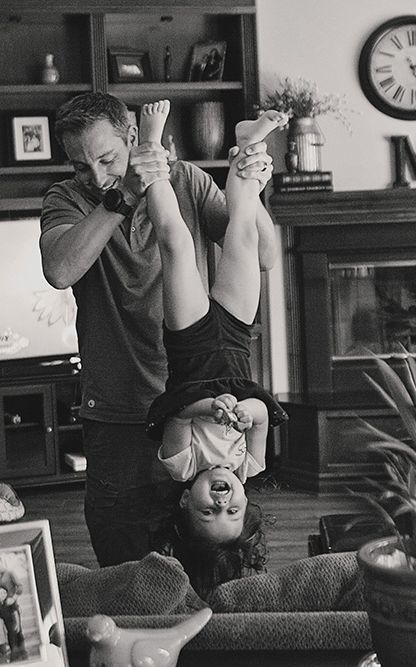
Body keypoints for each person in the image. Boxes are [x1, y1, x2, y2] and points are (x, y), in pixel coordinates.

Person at [39, 92, 278, 568]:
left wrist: (251, 176)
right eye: (81, 166)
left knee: (210, 561)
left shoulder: (185, 178)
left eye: (107, 159)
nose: (96, 177)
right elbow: (61, 270)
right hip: (119, 418)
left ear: (131, 137)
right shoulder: (66, 199)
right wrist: (124, 194)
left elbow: (262, 254)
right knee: (126, 565)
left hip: (194, 393)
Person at [136, 100, 288, 597]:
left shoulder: (181, 466)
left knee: (176, 245)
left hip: (192, 344)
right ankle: (246, 144)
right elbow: (262, 419)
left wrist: (211, 408)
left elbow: (178, 415)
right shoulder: (251, 466)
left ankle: (151, 153)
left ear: (185, 503)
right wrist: (244, 412)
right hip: (236, 339)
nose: (222, 501)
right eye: (233, 510)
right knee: (242, 236)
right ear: (246, 501)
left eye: (209, 511)